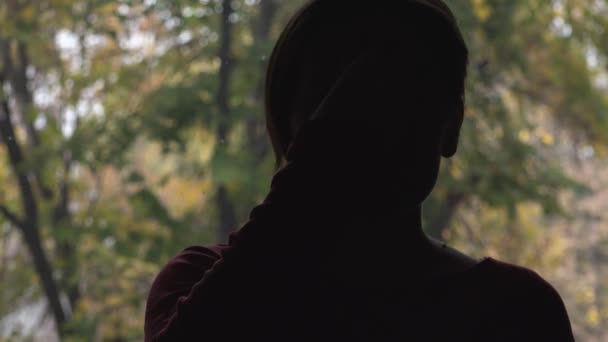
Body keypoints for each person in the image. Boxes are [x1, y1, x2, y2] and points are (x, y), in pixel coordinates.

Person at [144, 0, 575, 341]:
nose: (371, 133)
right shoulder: (508, 310)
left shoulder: (517, 311)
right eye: (341, 109)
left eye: (402, 102)